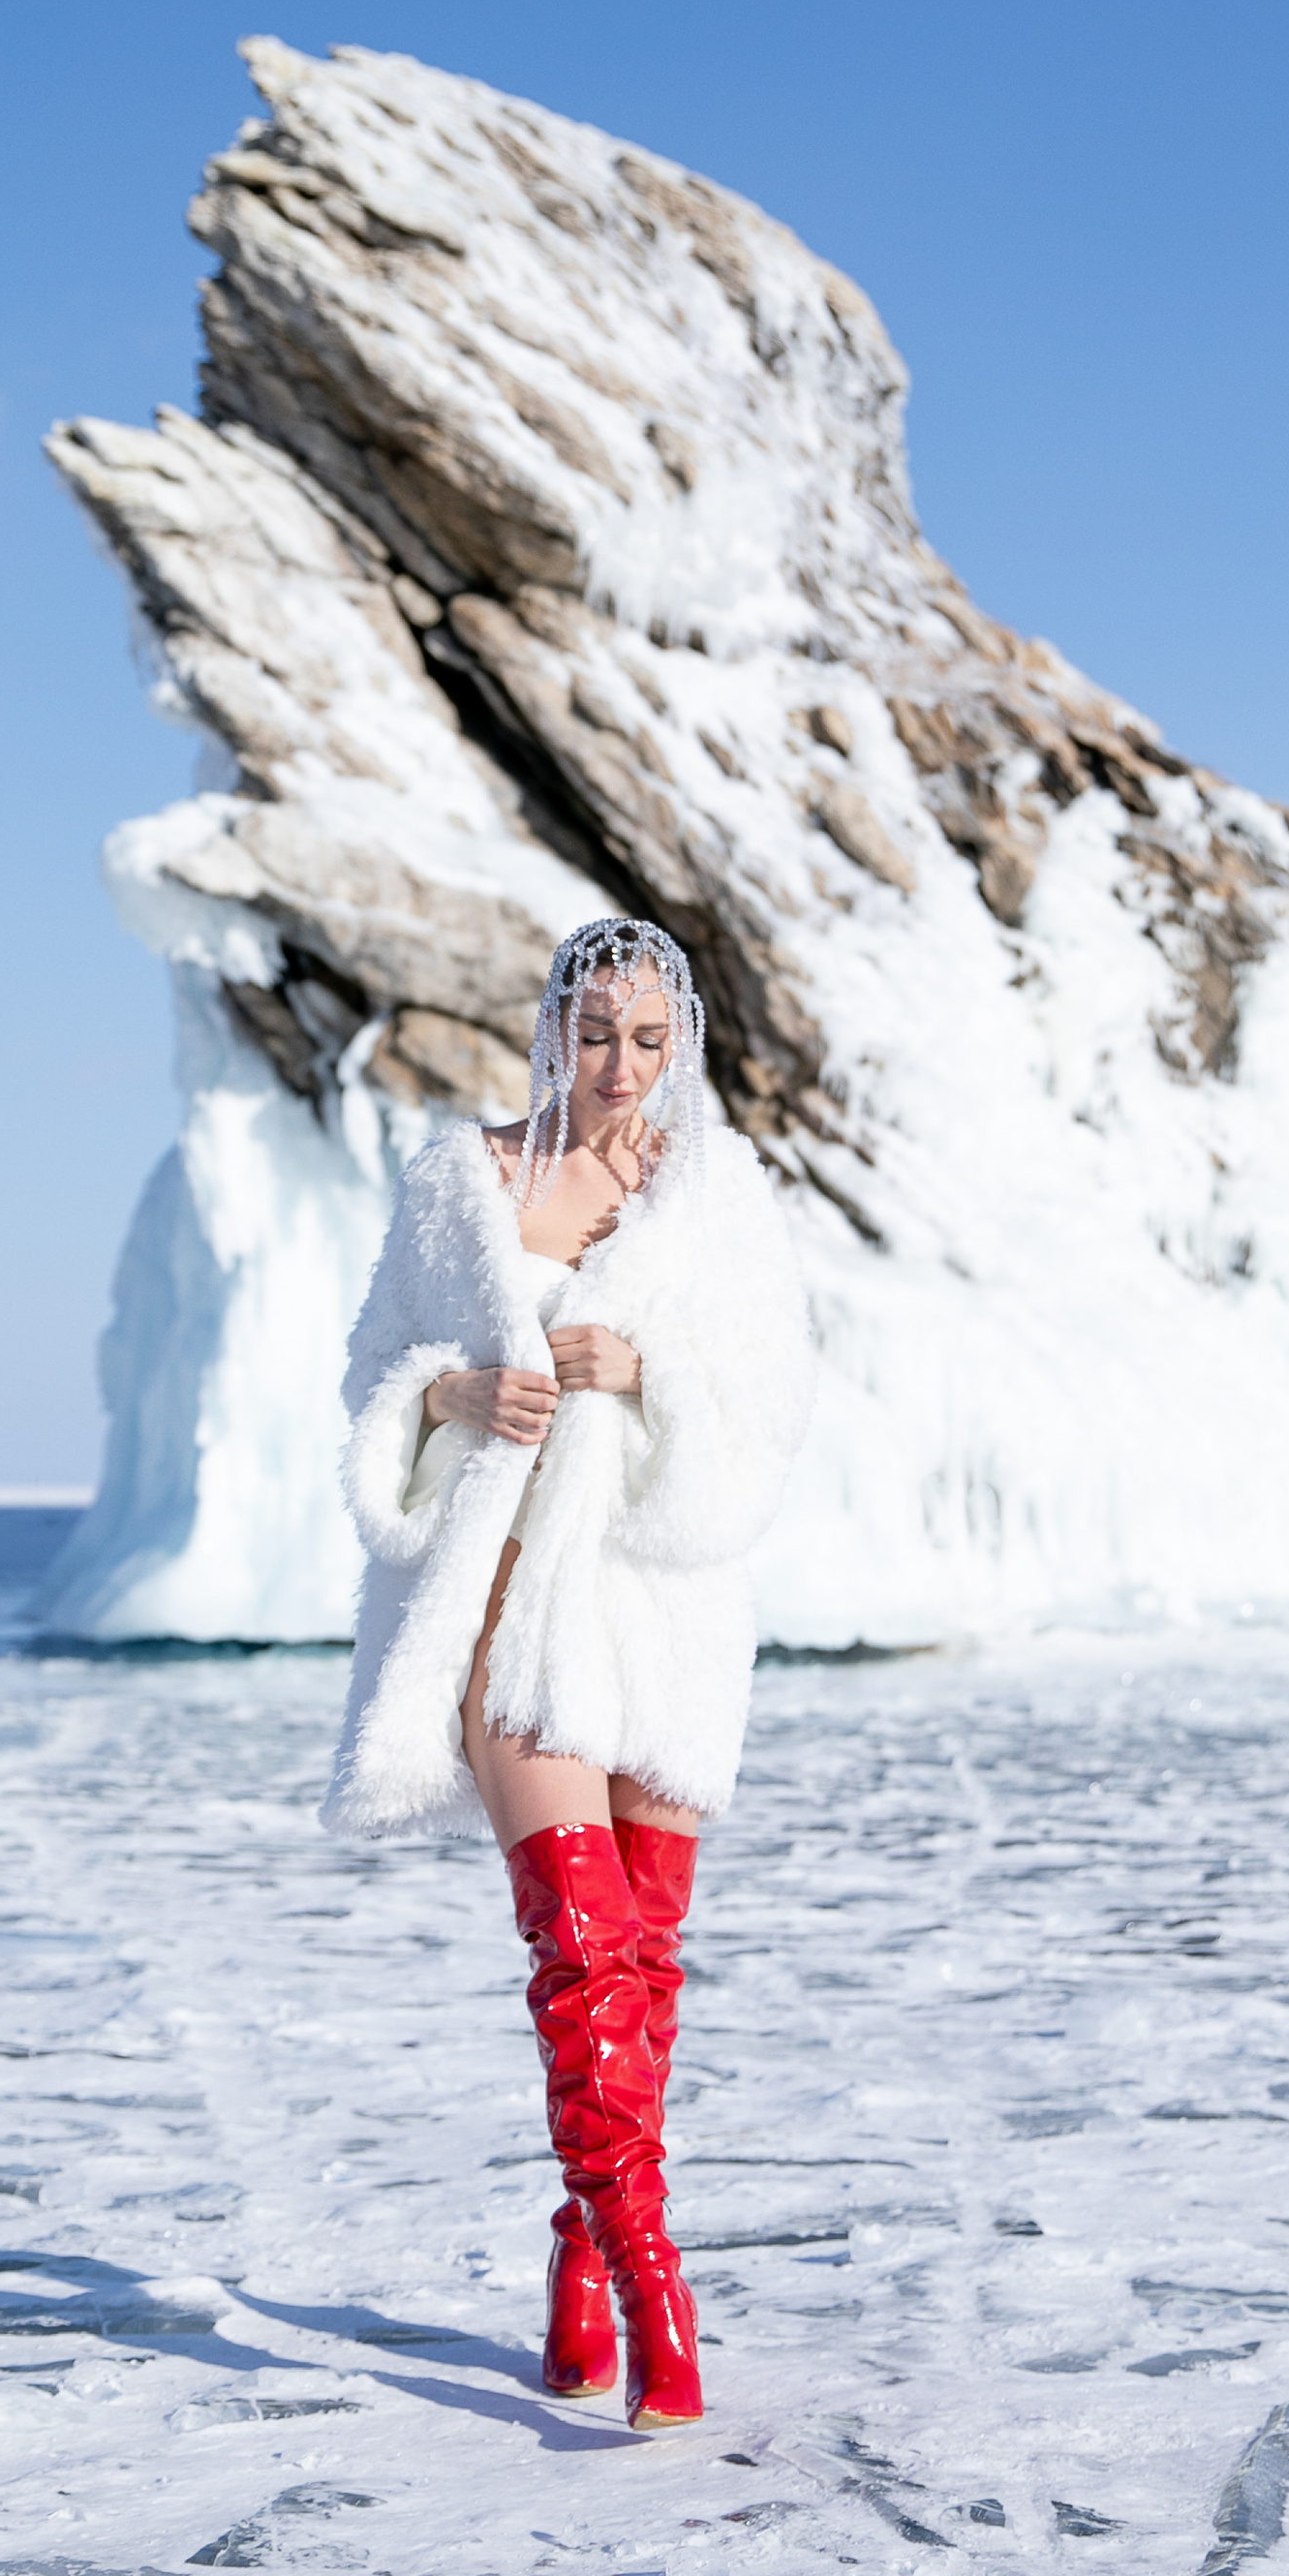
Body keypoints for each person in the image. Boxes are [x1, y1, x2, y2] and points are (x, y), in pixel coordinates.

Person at [325, 916, 813, 2429]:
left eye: (648, 1039)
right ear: (554, 1028)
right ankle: (653, 2274)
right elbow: (371, 1378)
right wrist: (445, 1392)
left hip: (660, 1620)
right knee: (581, 1957)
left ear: (683, 1047)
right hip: (507, 1613)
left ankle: (578, 2254)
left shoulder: (720, 1194)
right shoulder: (460, 1180)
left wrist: (647, 1376)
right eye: (595, 1032)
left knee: (648, 1971)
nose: (619, 1065)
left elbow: (772, 1409)